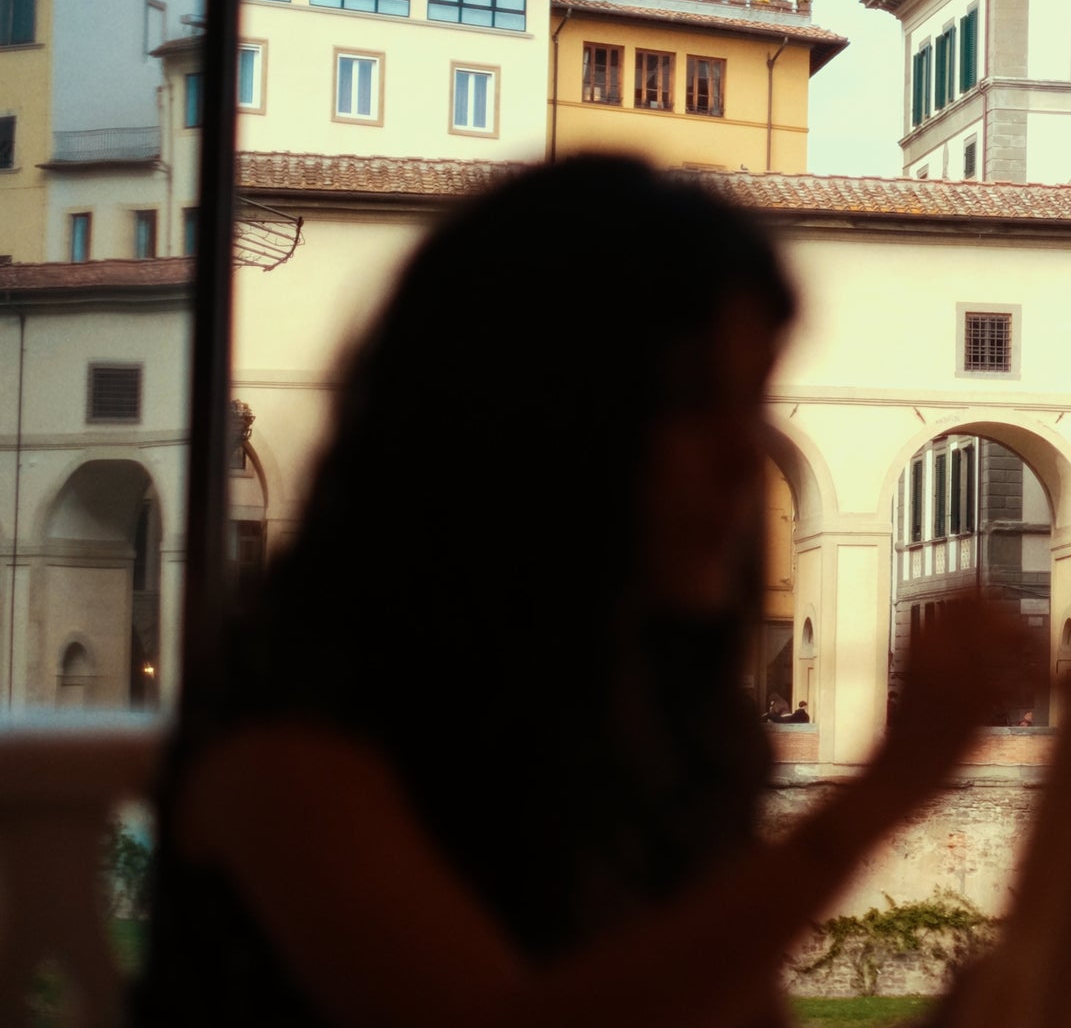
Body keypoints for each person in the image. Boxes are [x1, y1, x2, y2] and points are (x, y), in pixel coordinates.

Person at [135, 157, 1008, 1028]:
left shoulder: (654, 702)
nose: (743, 458)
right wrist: (885, 789)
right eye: (690, 398)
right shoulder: (289, 719)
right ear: (526, 416)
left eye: (750, 401)